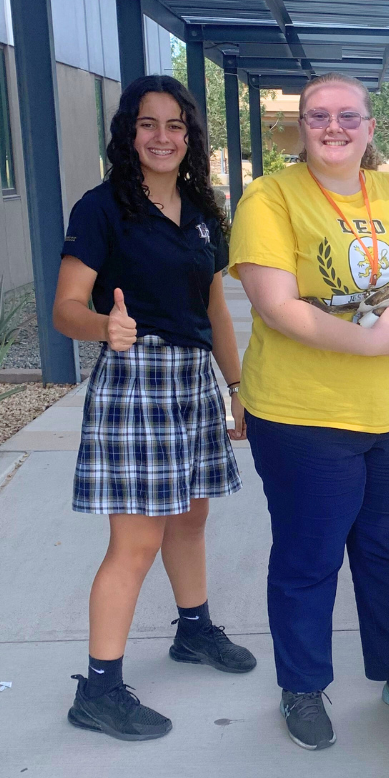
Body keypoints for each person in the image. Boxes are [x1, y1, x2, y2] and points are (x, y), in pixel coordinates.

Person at [228, 72, 389, 751]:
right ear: (300, 126)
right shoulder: (269, 198)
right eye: (319, 116)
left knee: (388, 550)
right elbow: (276, 304)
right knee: (310, 555)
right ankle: (302, 684)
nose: (334, 128)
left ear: (370, 127)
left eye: (347, 117)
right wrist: (369, 340)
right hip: (304, 416)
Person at [54, 75, 255, 742]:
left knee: (191, 519)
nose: (163, 137)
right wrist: (101, 329)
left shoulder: (204, 209)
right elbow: (66, 309)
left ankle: (192, 632)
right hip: (136, 379)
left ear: (190, 137)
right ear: (128, 133)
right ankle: (100, 690)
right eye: (149, 124)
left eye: (175, 125)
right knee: (135, 541)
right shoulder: (101, 208)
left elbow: (214, 307)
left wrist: (236, 385)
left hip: (195, 378)